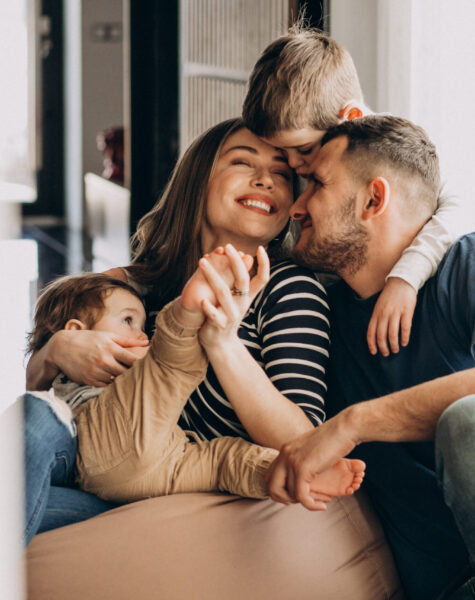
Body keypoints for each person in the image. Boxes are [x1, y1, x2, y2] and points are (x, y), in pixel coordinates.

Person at [23, 118, 334, 539]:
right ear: (198, 179)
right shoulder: (136, 285)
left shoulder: (288, 287)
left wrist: (223, 344)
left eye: (281, 174)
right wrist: (56, 350)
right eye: (244, 163)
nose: (265, 181)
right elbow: (45, 395)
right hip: (95, 478)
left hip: (191, 495)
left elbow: (302, 440)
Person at [266, 114, 475, 600]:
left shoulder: (462, 268)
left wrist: (352, 424)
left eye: (315, 183)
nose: (295, 207)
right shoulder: (316, 320)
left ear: (374, 200)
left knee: (464, 421)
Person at [23, 256, 366, 546]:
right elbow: (38, 392)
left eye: (143, 323)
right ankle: (187, 314)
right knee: (169, 363)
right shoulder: (144, 280)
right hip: (101, 452)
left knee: (224, 461)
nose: (142, 334)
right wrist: (59, 348)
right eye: (129, 321)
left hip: (165, 460)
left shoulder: (290, 286)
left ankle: (290, 474)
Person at [242, 24, 471, 357]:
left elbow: (458, 206)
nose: (295, 167)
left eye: (303, 149)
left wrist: (404, 279)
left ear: (349, 117)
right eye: (282, 157)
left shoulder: (398, 155)